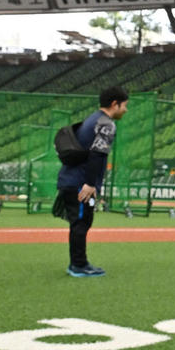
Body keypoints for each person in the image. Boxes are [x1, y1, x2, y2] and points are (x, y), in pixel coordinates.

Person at [54, 86, 127, 277]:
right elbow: (97, 154)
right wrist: (90, 184)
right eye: (124, 105)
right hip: (80, 182)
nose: (125, 110)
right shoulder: (106, 124)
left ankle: (79, 263)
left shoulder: (92, 119)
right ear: (115, 104)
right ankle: (78, 265)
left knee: (81, 222)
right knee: (81, 222)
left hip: (71, 179)